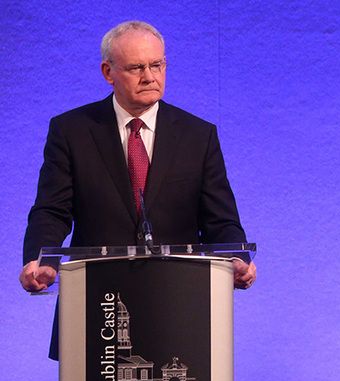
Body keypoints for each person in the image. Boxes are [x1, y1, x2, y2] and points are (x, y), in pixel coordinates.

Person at [18, 21, 256, 357]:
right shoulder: (71, 131)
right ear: (108, 71)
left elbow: (221, 219)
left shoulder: (198, 135)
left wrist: (237, 256)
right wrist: (39, 259)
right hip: (97, 306)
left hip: (178, 307)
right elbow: (52, 210)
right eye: (136, 67)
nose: (150, 76)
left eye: (157, 65)